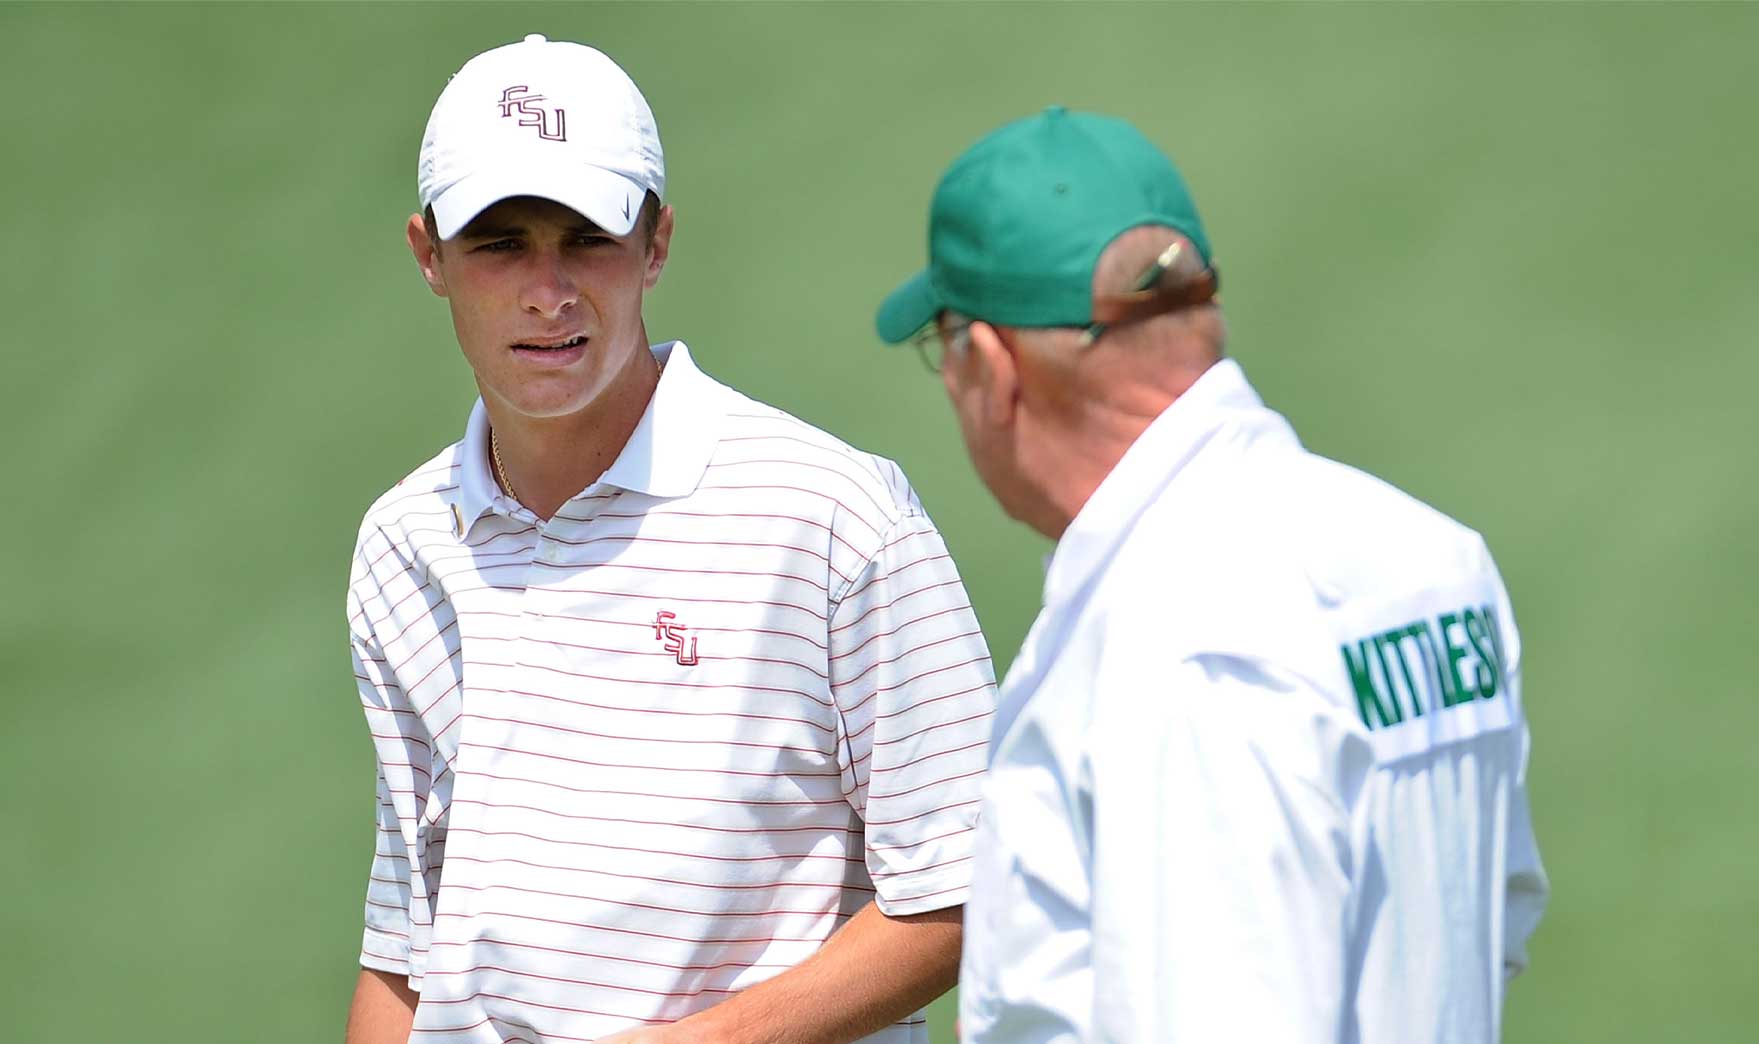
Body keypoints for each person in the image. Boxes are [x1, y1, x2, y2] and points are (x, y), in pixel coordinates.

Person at [345, 35, 996, 1044]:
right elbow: (408, 946)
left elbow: (961, 890)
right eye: (500, 244)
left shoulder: (835, 515)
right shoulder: (403, 541)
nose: (548, 291)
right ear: (429, 257)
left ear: (656, 246)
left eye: (588, 239)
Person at [874, 106, 1549, 1043]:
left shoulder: (1172, 644)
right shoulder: (1432, 560)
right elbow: (1497, 916)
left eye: (943, 348)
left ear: (990, 366)